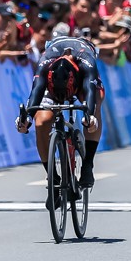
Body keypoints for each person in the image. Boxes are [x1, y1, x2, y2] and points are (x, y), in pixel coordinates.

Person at [15, 33, 103, 207]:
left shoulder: (86, 62)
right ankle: (53, 178)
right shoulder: (45, 62)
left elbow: (91, 92)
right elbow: (36, 92)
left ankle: (87, 165)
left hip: (81, 82)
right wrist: (27, 118)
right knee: (42, 122)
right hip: (52, 84)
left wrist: (90, 116)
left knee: (96, 102)